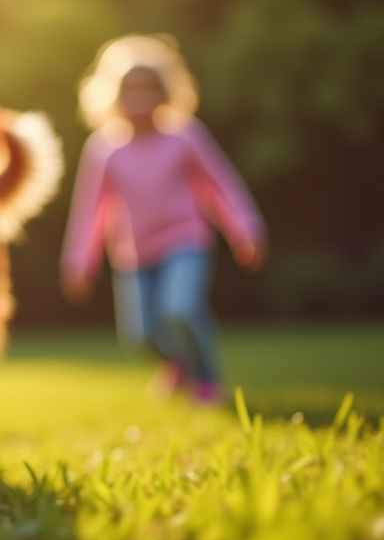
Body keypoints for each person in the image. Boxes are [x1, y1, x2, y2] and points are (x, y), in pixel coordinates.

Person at [60, 35, 268, 404]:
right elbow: (91, 209)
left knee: (179, 312)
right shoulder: (104, 149)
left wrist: (245, 228)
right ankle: (180, 365)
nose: (140, 98)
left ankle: (207, 379)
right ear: (113, 96)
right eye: (131, 90)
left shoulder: (184, 137)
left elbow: (221, 185)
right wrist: (79, 260)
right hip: (133, 254)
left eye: (149, 89)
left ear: (166, 92)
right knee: (139, 336)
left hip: (185, 242)